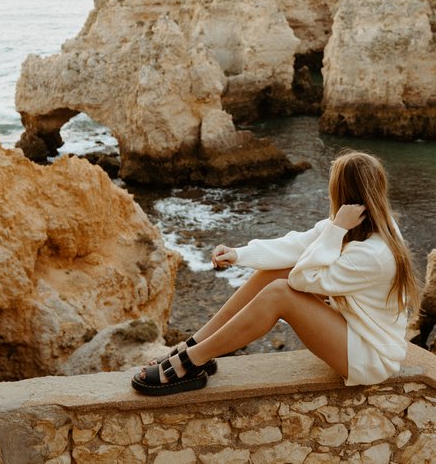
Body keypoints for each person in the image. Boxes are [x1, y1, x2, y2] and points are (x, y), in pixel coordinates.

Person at [131, 150, 420, 395]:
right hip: (354, 329)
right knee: (277, 273)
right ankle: (195, 344)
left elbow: (301, 278)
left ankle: (193, 361)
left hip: (370, 357)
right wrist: (240, 254)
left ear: (344, 195)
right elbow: (299, 244)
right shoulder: (363, 224)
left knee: (281, 293)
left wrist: (336, 229)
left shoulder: (372, 253)